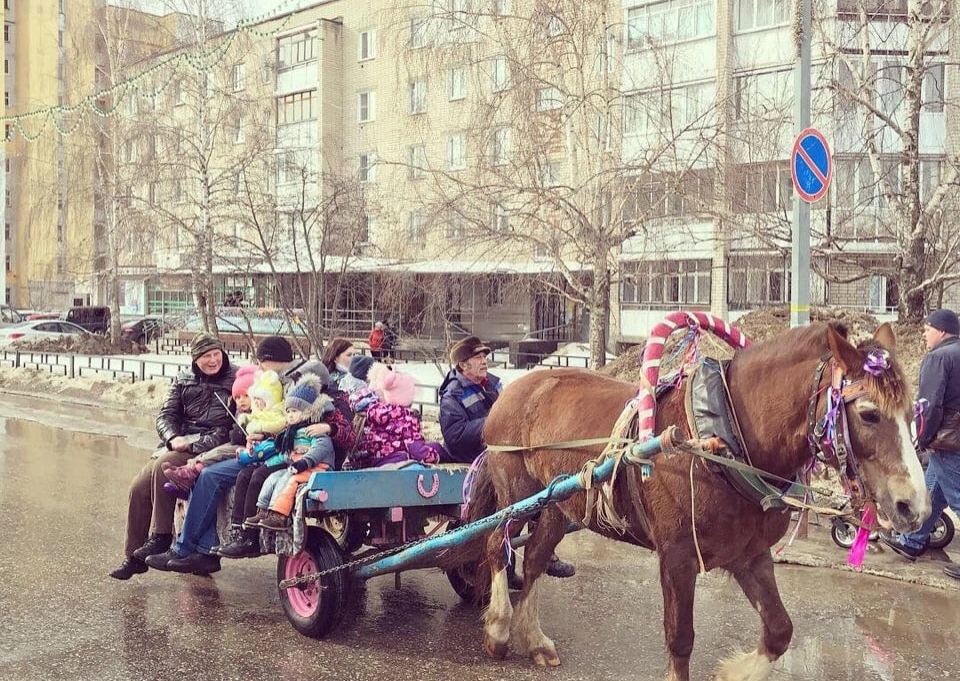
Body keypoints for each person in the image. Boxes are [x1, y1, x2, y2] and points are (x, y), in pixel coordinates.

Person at [144, 336, 354, 575]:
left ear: (272, 361)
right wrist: (254, 430)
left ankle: (194, 548)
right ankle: (197, 550)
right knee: (208, 474)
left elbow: (336, 431)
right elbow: (279, 422)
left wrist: (327, 429)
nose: (260, 368)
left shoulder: (310, 391)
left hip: (295, 457)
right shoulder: (276, 384)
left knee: (213, 475)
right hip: (270, 449)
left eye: (262, 362)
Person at [439, 336, 575, 584]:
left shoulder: (493, 385)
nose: (484, 361)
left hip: (502, 450)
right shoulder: (452, 395)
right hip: (474, 455)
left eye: (484, 357)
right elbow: (455, 436)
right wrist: (496, 423)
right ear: (463, 366)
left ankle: (544, 553)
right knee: (518, 499)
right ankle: (507, 569)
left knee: (541, 490)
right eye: (477, 358)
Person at [108, 333, 237, 580]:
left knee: (163, 466)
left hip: (210, 446)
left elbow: (232, 427)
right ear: (195, 359)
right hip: (179, 442)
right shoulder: (183, 379)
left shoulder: (234, 379)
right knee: (138, 487)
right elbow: (166, 415)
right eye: (206, 356)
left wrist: (195, 446)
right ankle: (134, 556)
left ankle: (161, 536)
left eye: (216, 354)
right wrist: (172, 438)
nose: (213, 360)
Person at [882, 309, 960, 580]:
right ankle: (913, 542)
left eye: (927, 329)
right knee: (932, 493)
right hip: (954, 439)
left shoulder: (938, 358)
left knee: (958, 497)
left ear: (941, 331)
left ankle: (913, 541)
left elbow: (929, 406)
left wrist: (923, 438)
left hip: (948, 441)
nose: (924, 334)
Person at [161, 364, 257, 496]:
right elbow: (167, 414)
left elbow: (237, 436)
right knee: (211, 454)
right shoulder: (240, 412)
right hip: (234, 444)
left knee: (218, 454)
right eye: (238, 398)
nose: (241, 401)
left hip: (249, 449)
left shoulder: (258, 413)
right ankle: (186, 478)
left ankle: (190, 473)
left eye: (246, 395)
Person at [349, 366, 443, 468]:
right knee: (435, 450)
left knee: (433, 446)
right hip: (395, 462)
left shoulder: (374, 411)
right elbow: (416, 449)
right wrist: (435, 457)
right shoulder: (407, 418)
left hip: (372, 460)